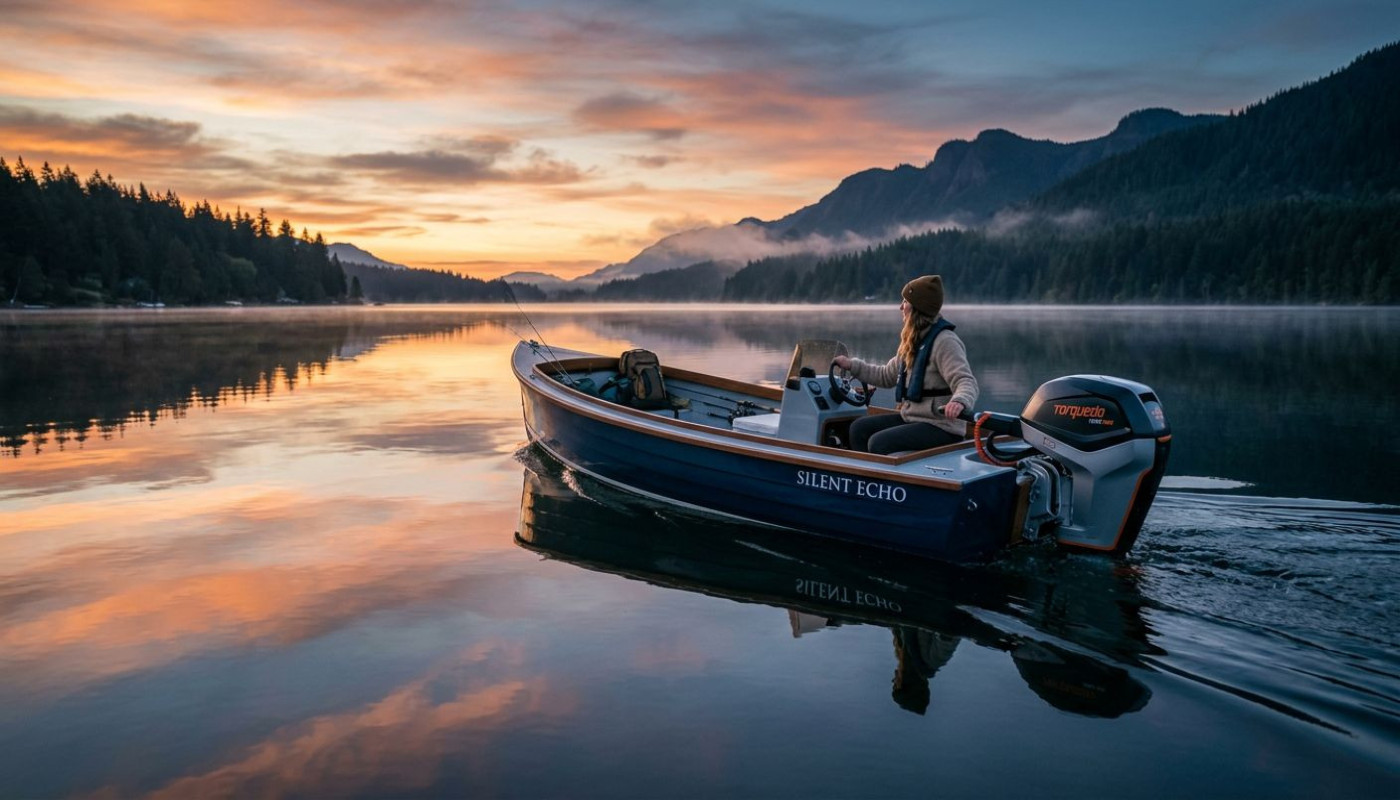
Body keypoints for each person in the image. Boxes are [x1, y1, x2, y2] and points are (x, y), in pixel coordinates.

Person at [833, 275, 978, 455]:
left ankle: (884, 481)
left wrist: (959, 401)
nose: (901, 307)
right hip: (913, 418)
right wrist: (852, 365)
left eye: (905, 301)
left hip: (941, 426)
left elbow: (966, 381)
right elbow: (886, 376)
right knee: (858, 428)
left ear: (918, 307)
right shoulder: (913, 340)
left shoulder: (945, 342)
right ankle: (865, 478)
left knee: (879, 443)